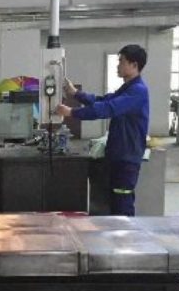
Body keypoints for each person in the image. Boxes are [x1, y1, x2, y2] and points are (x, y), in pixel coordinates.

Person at [55, 45, 149, 217]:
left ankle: (126, 233)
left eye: (121, 61)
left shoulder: (138, 91)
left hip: (126, 158)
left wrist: (72, 112)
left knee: (122, 203)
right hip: (117, 155)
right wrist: (76, 93)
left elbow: (107, 108)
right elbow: (102, 100)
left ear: (134, 65)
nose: (118, 65)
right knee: (114, 201)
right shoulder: (127, 89)